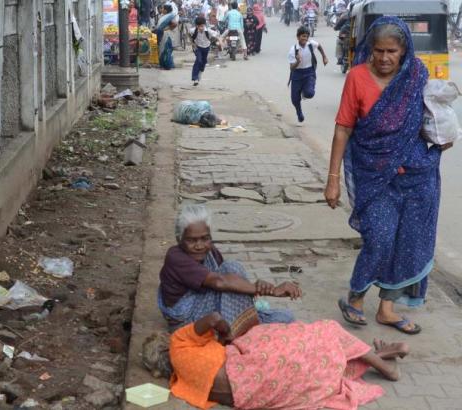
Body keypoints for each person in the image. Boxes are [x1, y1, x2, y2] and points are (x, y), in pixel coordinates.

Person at [325, 16, 453, 335]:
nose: (384, 58)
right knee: (380, 237)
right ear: (370, 48)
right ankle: (356, 297)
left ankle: (387, 308)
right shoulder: (356, 78)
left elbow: (431, 118)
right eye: (378, 50)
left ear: (403, 50)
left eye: (391, 51)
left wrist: (443, 136)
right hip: (373, 174)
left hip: (416, 175)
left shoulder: (416, 75)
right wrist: (333, 178)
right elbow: (343, 128)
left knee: (407, 241)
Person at [143, 312, 410, 409]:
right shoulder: (179, 342)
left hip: (252, 396)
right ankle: (384, 364)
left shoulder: (178, 384)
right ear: (166, 343)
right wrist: (226, 334)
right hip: (245, 367)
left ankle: (380, 354)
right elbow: (214, 319)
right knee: (321, 331)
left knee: (310, 359)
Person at [158, 204, 301, 332]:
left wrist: (256, 287)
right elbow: (220, 282)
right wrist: (271, 290)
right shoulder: (175, 257)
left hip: (209, 309)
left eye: (205, 238)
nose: (199, 246)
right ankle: (239, 334)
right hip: (186, 320)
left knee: (286, 317)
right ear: (179, 239)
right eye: (191, 240)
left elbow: (230, 285)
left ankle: (244, 326)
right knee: (232, 269)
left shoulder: (210, 252)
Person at [288, 25, 328, 123]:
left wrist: (324, 57)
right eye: (302, 36)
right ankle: (299, 112)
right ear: (298, 37)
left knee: (309, 93)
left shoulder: (311, 44)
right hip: (297, 74)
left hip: (309, 72)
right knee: (294, 99)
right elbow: (291, 67)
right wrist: (298, 61)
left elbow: (319, 46)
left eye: (306, 36)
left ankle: (305, 92)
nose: (304, 39)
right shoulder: (293, 50)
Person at [189, 16, 219, 85]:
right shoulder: (193, 30)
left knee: (204, 61)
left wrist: (220, 41)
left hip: (206, 47)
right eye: (199, 26)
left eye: (202, 26)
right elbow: (189, 34)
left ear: (204, 25)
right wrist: (192, 43)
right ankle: (195, 78)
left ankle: (200, 73)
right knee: (198, 60)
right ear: (197, 26)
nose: (201, 28)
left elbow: (217, 35)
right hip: (197, 47)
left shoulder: (208, 31)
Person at [155, 4, 178, 69]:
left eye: (162, 8)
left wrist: (166, 29)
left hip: (167, 35)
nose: (161, 9)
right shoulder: (165, 16)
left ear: (165, 10)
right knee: (163, 50)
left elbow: (175, 24)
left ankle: (167, 65)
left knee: (165, 50)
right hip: (163, 34)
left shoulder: (170, 16)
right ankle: (165, 64)